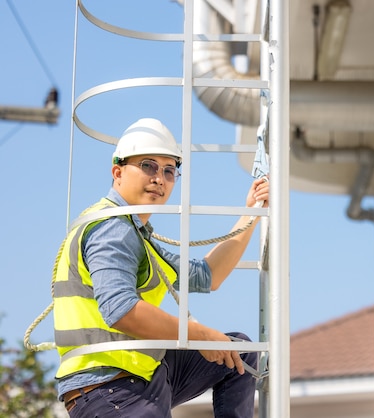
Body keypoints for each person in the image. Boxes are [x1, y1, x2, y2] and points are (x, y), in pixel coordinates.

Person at [53, 118, 269, 417]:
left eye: (169, 171)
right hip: (109, 389)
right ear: (117, 172)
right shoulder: (111, 227)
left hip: (142, 375)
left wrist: (251, 212)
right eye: (148, 166)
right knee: (226, 347)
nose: (160, 178)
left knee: (238, 352)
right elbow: (120, 309)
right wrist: (200, 335)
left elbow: (209, 275)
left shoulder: (138, 236)